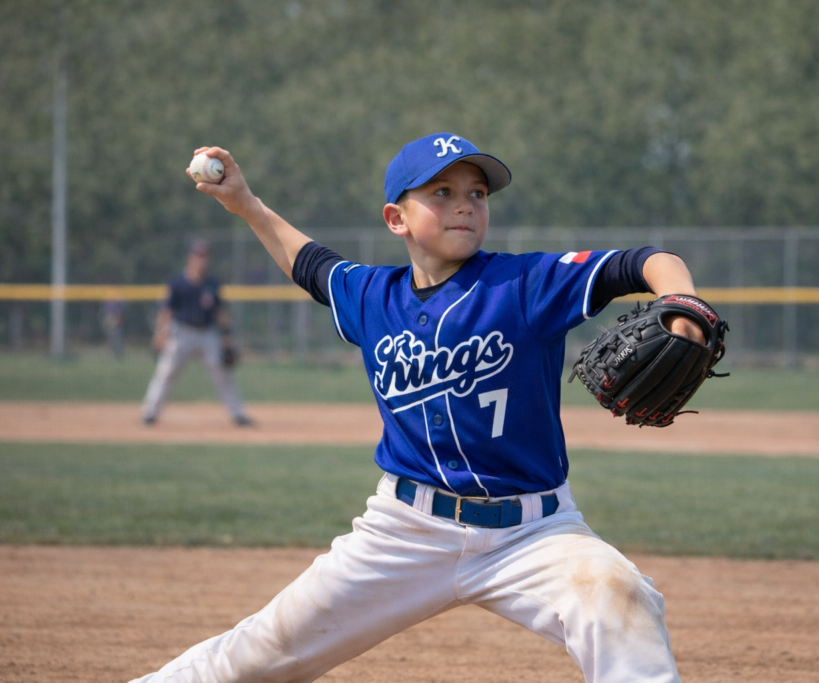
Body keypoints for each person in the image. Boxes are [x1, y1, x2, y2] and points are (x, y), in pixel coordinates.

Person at [130, 133, 708, 683]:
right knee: (262, 652)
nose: (465, 205)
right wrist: (246, 204)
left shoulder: (525, 283)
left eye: (477, 193)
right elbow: (309, 264)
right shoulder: (371, 296)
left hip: (535, 532)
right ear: (396, 218)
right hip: (405, 532)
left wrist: (683, 304)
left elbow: (644, 261)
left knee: (618, 594)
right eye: (442, 192)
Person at [140, 239, 252, 427]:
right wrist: (160, 334)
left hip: (207, 334)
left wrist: (227, 337)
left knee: (223, 374)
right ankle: (150, 412)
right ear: (189, 258)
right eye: (198, 255)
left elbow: (221, 312)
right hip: (182, 333)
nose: (202, 260)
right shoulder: (177, 283)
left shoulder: (212, 283)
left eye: (205, 256)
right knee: (166, 373)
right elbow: (166, 311)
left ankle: (237, 414)